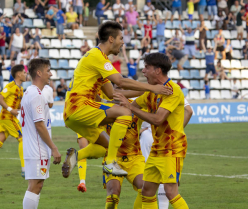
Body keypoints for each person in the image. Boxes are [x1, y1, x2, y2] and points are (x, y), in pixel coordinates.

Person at [114, 52, 201, 209]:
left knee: (171, 192)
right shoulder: (152, 92)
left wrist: (130, 108)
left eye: (146, 67)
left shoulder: (172, 91)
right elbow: (133, 105)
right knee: (147, 191)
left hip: (172, 149)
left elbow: (158, 119)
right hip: (157, 148)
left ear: (157, 70)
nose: (143, 70)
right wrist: (116, 98)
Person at [61, 21, 172, 178]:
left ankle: (75, 157)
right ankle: (110, 162)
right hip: (79, 106)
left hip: (73, 113)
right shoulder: (96, 56)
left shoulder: (99, 61)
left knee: (106, 146)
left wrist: (144, 94)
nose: (123, 42)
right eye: (121, 38)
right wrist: (152, 88)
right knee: (125, 113)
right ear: (111, 39)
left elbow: (112, 93)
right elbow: (120, 81)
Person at [19, 58, 61, 209]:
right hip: (37, 147)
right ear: (39, 73)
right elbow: (39, 125)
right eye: (48, 70)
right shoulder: (36, 94)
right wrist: (53, 147)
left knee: (35, 185)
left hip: (31, 146)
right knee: (36, 185)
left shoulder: (30, 92)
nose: (51, 74)